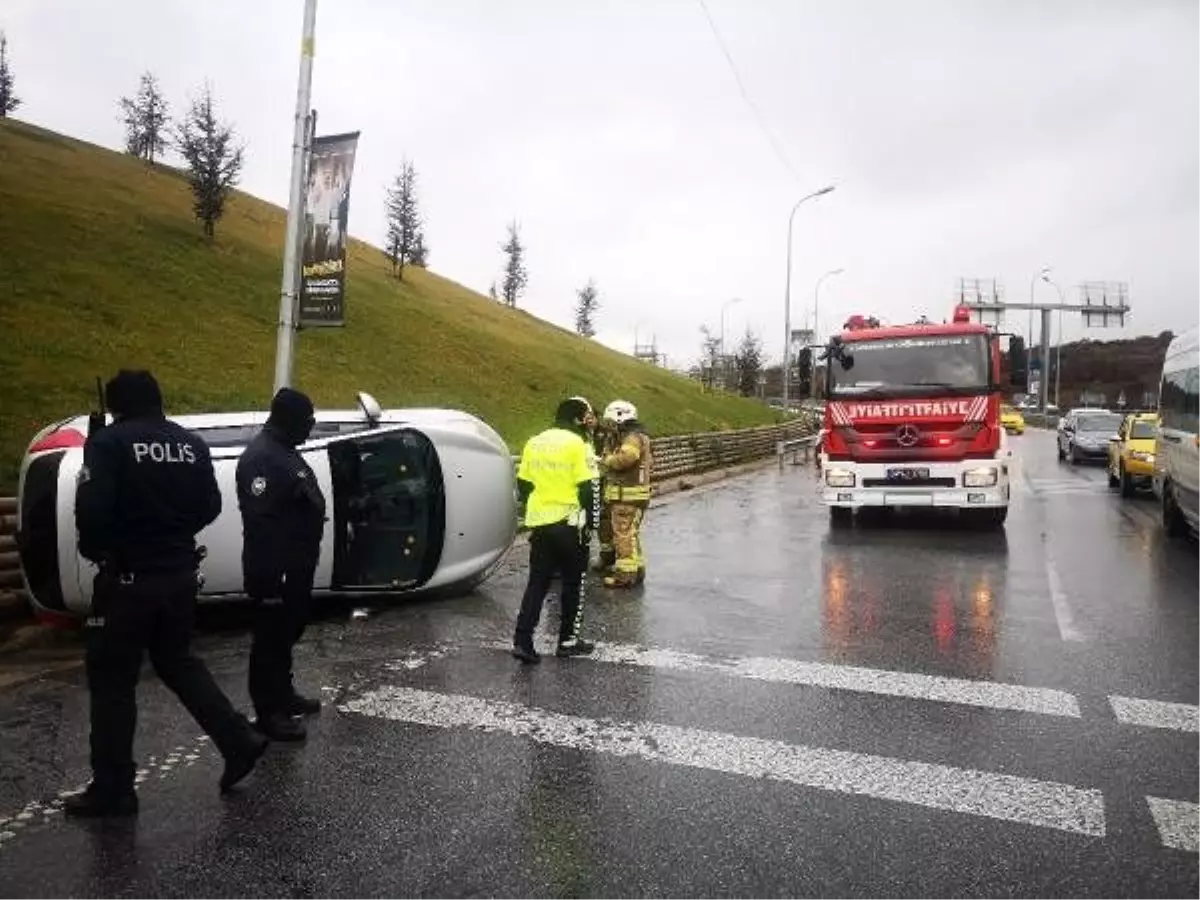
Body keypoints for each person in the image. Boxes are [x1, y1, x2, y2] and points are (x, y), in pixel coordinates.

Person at [67, 370, 268, 818]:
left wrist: (103, 549)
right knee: (178, 662)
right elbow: (210, 506)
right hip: (177, 575)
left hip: (127, 582)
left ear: (117, 406)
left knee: (113, 682)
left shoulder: (109, 443)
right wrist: (171, 534)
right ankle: (239, 740)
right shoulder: (190, 444)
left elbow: (92, 512)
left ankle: (114, 788)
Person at [236, 387, 327, 742]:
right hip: (273, 571)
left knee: (286, 634)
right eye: (307, 421)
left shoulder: (284, 452)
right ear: (288, 420)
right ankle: (268, 712)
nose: (310, 428)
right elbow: (262, 527)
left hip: (295, 567)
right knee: (269, 641)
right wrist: (270, 582)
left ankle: (283, 695)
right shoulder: (263, 459)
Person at [512, 398, 599, 663]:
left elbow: (523, 484)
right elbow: (589, 488)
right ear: (576, 419)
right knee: (574, 584)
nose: (588, 421)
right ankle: (568, 642)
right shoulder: (579, 445)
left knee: (537, 583)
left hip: (540, 525)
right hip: (571, 525)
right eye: (585, 416)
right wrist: (592, 525)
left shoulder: (534, 442)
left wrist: (538, 508)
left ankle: (523, 641)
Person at [599, 400, 652, 589]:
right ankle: (637, 570)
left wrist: (608, 460)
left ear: (620, 416)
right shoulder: (636, 435)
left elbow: (627, 458)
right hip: (632, 496)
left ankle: (625, 576)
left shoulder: (631, 437)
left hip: (627, 498)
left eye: (611, 421)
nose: (609, 425)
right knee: (631, 535)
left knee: (623, 535)